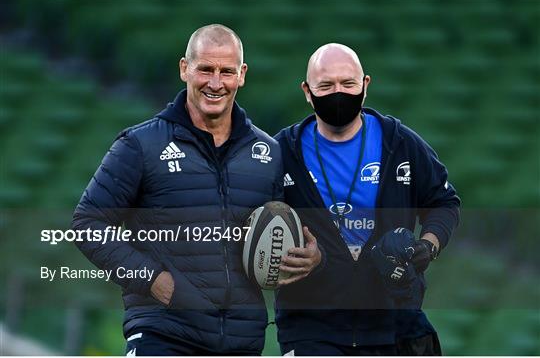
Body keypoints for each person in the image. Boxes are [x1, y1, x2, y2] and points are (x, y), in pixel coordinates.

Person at [72, 24, 318, 355]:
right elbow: (88, 224)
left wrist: (312, 256)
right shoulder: (140, 145)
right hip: (163, 337)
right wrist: (154, 281)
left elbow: (295, 229)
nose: (215, 83)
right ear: (184, 69)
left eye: (226, 72)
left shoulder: (268, 153)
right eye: (205, 69)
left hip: (241, 343)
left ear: (241, 75)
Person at [274, 43, 461, 355]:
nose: (338, 93)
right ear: (307, 91)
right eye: (326, 85)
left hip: (395, 324)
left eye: (348, 83)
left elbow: (443, 202)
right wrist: (287, 261)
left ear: (365, 85)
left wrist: (427, 247)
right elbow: (249, 224)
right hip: (309, 330)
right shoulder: (280, 152)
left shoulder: (400, 143)